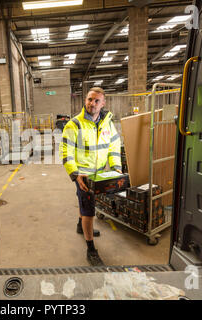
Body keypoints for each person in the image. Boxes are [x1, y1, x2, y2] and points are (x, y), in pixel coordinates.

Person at [60, 87, 122, 266]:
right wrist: (76, 174)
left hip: (101, 174)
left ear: (103, 103)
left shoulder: (107, 123)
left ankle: (81, 226)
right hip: (83, 176)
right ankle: (91, 249)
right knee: (89, 210)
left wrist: (116, 167)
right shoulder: (74, 124)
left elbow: (114, 146)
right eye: (89, 99)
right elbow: (66, 151)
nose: (92, 104)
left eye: (96, 101)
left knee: (87, 204)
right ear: (85, 100)